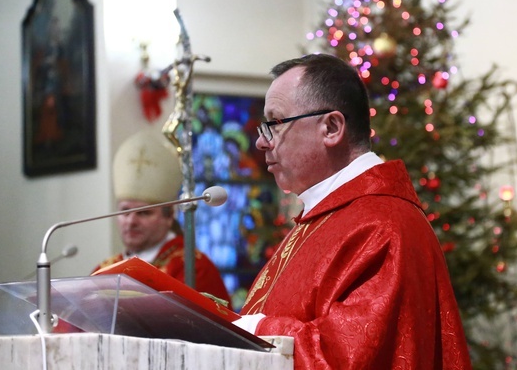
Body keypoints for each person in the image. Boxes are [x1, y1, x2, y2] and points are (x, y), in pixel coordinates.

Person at [235, 54, 471, 369]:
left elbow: (348, 358)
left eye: (275, 124)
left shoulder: (383, 226)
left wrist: (256, 331)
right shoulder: (332, 215)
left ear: (331, 127)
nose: (263, 143)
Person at [92, 130, 231, 307]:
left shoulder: (193, 268)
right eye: (125, 211)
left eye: (144, 213)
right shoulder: (104, 270)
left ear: (169, 216)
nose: (131, 221)